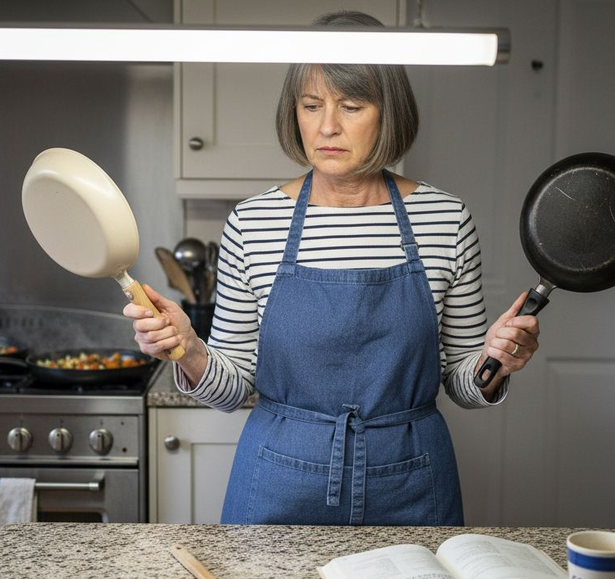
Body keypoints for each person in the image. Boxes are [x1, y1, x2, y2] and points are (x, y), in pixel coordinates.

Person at [124, 10, 540, 526]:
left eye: (352, 105)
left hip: (412, 481)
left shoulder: (445, 218)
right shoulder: (254, 223)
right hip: (277, 480)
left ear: (389, 112)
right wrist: (188, 348)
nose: (327, 127)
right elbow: (232, 391)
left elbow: (462, 383)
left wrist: (495, 361)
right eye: (311, 104)